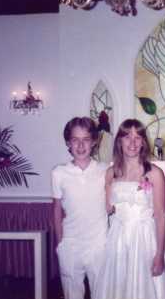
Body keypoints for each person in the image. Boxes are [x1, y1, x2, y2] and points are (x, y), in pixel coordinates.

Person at [94, 119, 165, 299]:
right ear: (119, 141)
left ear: (144, 141)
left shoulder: (154, 173)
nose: (132, 142)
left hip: (145, 240)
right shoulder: (111, 173)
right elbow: (108, 209)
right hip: (118, 240)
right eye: (127, 137)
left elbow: (161, 216)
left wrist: (159, 254)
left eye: (138, 137)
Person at [52, 117, 108, 299]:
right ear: (68, 142)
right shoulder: (59, 173)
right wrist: (60, 242)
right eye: (75, 140)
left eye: (85, 139)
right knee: (72, 294)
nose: (81, 145)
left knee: (102, 293)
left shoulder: (105, 170)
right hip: (71, 244)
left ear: (93, 142)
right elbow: (56, 210)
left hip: (99, 244)